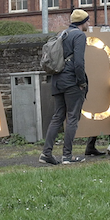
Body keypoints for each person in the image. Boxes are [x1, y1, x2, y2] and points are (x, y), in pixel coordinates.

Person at [39, 9, 91, 165]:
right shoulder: (80, 35)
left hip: (57, 80)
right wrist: (82, 82)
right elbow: (79, 63)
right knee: (72, 117)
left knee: (58, 117)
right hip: (71, 82)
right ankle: (67, 156)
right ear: (83, 22)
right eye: (87, 21)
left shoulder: (63, 34)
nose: (89, 23)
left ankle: (46, 153)